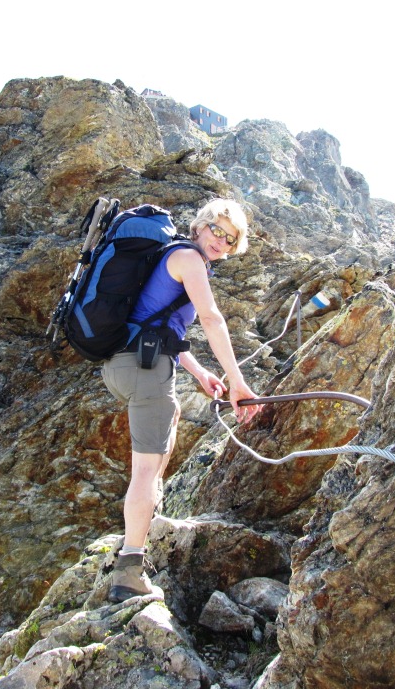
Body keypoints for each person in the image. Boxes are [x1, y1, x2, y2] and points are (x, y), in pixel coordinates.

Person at [103, 198, 262, 603]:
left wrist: (201, 372)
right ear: (200, 226)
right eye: (217, 230)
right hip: (144, 368)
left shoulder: (173, 255)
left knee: (166, 432)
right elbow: (211, 318)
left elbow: (160, 325)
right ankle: (129, 570)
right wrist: (238, 382)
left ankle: (141, 526)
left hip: (126, 363)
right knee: (146, 469)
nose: (221, 241)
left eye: (230, 239)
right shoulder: (189, 259)